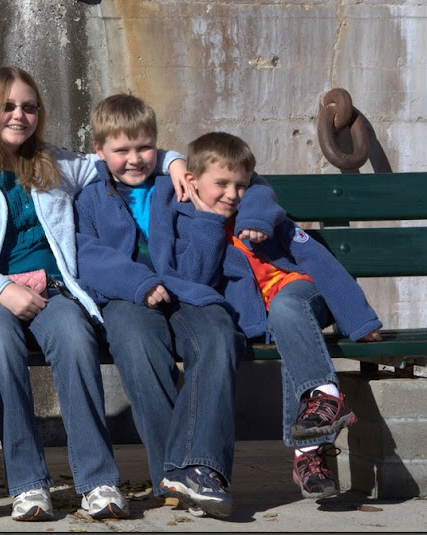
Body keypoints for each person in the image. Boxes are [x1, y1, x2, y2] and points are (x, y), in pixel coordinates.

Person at [0, 67, 188, 522]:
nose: (20, 115)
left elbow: (119, 155)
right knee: (0, 348)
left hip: (54, 291)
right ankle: (28, 484)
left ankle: (97, 481)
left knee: (76, 337)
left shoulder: (53, 163)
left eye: (30, 107)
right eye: (8, 106)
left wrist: (173, 161)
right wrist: (3, 289)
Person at [74, 94, 285, 518]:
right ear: (99, 150)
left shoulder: (177, 186)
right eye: (122, 150)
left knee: (219, 334)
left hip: (188, 291)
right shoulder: (89, 198)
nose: (135, 159)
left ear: (158, 144)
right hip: (125, 297)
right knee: (137, 344)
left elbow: (201, 267)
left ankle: (196, 470)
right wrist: (139, 282)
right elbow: (86, 254)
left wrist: (206, 220)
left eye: (144, 147)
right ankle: (179, 473)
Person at [165, 131, 382, 499]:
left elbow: (320, 262)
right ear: (192, 180)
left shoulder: (265, 219)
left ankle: (327, 395)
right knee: (285, 324)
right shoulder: (188, 225)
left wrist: (359, 321)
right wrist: (208, 224)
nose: (232, 194)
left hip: (302, 294)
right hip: (270, 320)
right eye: (221, 184)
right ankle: (308, 456)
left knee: (286, 308)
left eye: (240, 185)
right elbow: (193, 280)